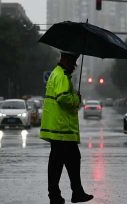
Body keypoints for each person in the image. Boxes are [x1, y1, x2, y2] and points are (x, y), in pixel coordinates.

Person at [40, 51, 93, 204]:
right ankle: (68, 194)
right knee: (67, 160)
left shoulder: (56, 73)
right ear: (66, 59)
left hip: (58, 127)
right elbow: (63, 97)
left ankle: (67, 194)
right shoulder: (62, 75)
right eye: (73, 60)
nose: (75, 64)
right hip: (61, 128)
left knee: (63, 161)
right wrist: (76, 99)